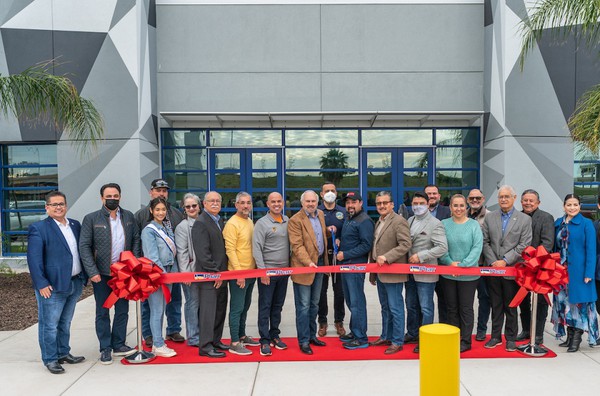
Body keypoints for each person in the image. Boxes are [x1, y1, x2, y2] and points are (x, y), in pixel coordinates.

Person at [79, 183, 140, 364]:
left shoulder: (129, 217)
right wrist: (92, 271)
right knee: (103, 311)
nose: (112, 199)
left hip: (123, 273)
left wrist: (134, 264)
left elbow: (136, 240)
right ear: (102, 198)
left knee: (122, 310)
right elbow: (84, 246)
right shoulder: (91, 218)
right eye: (109, 196)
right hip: (102, 274)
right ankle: (105, 347)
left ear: (120, 196)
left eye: (115, 196)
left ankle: (119, 344)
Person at [27, 191, 86, 374]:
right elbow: (34, 259)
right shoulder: (39, 228)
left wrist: (83, 278)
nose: (58, 207)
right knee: (49, 324)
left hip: (74, 283)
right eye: (54, 204)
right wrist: (41, 284)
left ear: (66, 206)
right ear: (47, 208)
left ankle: (63, 353)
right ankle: (50, 359)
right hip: (51, 286)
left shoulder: (75, 225)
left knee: (65, 322)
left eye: (61, 204)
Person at [135, 179, 185, 347]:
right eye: (158, 190)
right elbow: (139, 243)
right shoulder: (142, 215)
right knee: (151, 306)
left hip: (172, 268)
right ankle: (151, 336)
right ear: (151, 192)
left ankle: (173, 330)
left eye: (164, 190)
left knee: (173, 301)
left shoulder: (176, 213)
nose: (162, 193)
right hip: (153, 270)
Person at [482, 185, 532, 352]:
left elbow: (524, 245)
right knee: (496, 305)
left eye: (506, 196)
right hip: (493, 270)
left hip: (511, 270)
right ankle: (495, 336)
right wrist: (494, 262)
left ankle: (510, 338)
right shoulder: (490, 217)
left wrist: (505, 260)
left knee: (511, 306)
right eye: (500, 197)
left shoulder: (524, 219)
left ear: (514, 197)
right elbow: (485, 241)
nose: (503, 199)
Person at [552, 194, 599, 352]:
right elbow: (555, 248)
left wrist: (589, 272)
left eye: (575, 204)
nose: (572, 208)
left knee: (579, 305)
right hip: (561, 272)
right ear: (564, 206)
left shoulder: (587, 224)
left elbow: (591, 250)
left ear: (580, 206)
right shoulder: (558, 223)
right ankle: (569, 336)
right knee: (565, 304)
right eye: (569, 205)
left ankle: (577, 339)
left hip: (580, 272)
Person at [404, 192, 448, 353]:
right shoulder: (410, 220)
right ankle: (412, 333)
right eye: (414, 203)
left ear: (428, 204)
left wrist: (421, 256)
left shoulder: (435, 223)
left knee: (426, 307)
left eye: (421, 203)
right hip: (409, 272)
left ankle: (426, 337)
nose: (417, 206)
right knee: (411, 305)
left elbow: (442, 247)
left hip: (426, 271)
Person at [368, 191, 412, 354]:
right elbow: (375, 246)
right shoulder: (379, 221)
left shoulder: (399, 221)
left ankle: (397, 340)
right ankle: (386, 335)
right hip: (380, 273)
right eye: (379, 203)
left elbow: (405, 244)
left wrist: (387, 257)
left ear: (392, 204)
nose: (381, 206)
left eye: (385, 203)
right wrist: (373, 273)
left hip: (393, 272)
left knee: (395, 307)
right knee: (385, 307)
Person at [439, 194, 483, 353]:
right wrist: (450, 263)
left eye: (461, 205)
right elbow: (440, 246)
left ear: (466, 207)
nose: (458, 209)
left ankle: (465, 341)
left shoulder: (474, 225)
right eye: (455, 205)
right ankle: (453, 338)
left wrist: (462, 266)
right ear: (450, 207)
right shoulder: (443, 224)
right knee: (451, 308)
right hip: (448, 274)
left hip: (469, 275)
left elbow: (477, 248)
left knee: (466, 308)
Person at [288, 190, 330, 355]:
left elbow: (317, 236)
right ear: (302, 203)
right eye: (308, 202)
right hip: (304, 266)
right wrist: (309, 262)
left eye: (313, 201)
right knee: (303, 306)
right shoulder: (295, 220)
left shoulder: (320, 214)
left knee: (314, 304)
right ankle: (303, 341)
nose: (311, 204)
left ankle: (312, 336)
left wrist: (330, 232)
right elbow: (297, 245)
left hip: (319, 264)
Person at [253, 192, 291, 356]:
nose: (276, 204)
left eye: (279, 201)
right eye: (273, 202)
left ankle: (275, 334)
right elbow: (257, 249)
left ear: (283, 203)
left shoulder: (287, 221)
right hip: (267, 273)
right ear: (267, 204)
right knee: (265, 306)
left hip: (284, 273)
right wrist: (262, 271)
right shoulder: (262, 223)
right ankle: (265, 340)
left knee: (278, 306)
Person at [192, 191, 229, 358]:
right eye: (211, 201)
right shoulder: (201, 223)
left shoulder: (219, 220)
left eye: (217, 201)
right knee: (208, 311)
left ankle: (215, 340)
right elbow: (203, 253)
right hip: (209, 276)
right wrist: (215, 273)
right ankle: (205, 346)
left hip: (222, 274)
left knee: (220, 309)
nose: (215, 203)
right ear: (204, 204)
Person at [223, 191, 260, 355]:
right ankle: (234, 342)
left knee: (245, 307)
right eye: (242, 203)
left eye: (248, 203)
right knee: (237, 308)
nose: (246, 206)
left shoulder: (250, 221)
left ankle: (242, 335)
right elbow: (230, 250)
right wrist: (239, 273)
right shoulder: (232, 224)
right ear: (236, 205)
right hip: (239, 274)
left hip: (251, 273)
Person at [140, 197, 178, 357]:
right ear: (151, 211)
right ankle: (158, 344)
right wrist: (163, 276)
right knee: (156, 310)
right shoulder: (149, 231)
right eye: (157, 210)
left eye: (163, 210)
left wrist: (174, 275)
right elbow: (152, 258)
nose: (161, 212)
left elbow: (172, 253)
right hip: (157, 275)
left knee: (162, 309)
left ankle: (159, 342)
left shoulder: (166, 228)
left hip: (168, 273)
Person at [337, 191, 375, 350]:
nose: (350, 205)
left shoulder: (364, 220)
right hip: (346, 266)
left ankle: (361, 338)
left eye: (353, 202)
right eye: (347, 203)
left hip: (355, 267)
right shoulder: (349, 218)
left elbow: (366, 245)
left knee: (357, 302)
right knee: (351, 301)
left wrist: (346, 254)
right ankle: (354, 331)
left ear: (361, 203)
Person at [517, 189, 555, 344]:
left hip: (540, 268)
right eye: (525, 200)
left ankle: (538, 334)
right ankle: (526, 330)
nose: (528, 203)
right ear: (521, 201)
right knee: (523, 301)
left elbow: (547, 244)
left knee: (540, 302)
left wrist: (533, 262)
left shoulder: (546, 218)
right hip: (520, 267)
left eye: (531, 200)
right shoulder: (517, 217)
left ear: (538, 202)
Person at [317, 182, 346, 337]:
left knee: (339, 291)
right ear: (321, 194)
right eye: (326, 190)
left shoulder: (343, 211)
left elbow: (348, 231)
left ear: (336, 192)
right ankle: (322, 322)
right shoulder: (316, 211)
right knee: (321, 292)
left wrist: (341, 240)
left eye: (332, 190)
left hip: (338, 257)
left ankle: (339, 321)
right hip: (321, 258)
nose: (329, 193)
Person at [174, 193, 202, 347]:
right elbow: (182, 252)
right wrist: (186, 274)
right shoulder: (182, 227)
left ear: (199, 206)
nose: (191, 208)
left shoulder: (204, 222)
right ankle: (193, 337)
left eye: (194, 205)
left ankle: (202, 333)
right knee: (192, 303)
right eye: (188, 206)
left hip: (205, 272)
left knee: (202, 304)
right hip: (191, 272)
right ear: (184, 209)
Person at [424, 184, 451, 325]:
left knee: (444, 300)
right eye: (428, 193)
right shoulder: (415, 213)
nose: (431, 196)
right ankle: (423, 332)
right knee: (424, 303)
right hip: (425, 265)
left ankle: (443, 329)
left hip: (443, 263)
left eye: (434, 193)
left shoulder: (448, 212)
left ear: (439, 196)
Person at [467, 188, 491, 341]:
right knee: (466, 300)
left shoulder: (490, 216)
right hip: (465, 266)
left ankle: (481, 329)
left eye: (478, 198)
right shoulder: (461, 214)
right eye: (471, 198)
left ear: (483, 199)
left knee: (484, 298)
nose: (475, 201)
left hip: (482, 264)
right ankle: (465, 329)